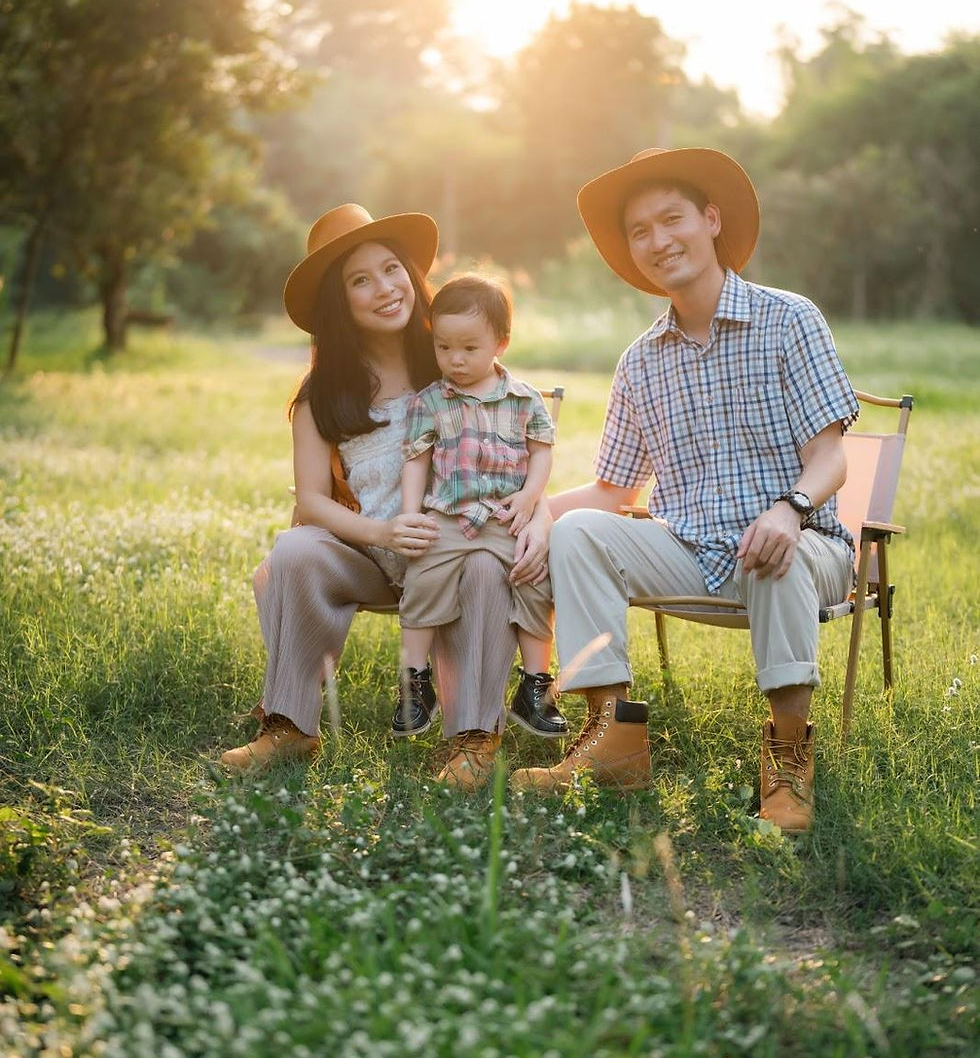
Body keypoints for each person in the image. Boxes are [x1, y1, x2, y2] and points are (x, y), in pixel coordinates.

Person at [511, 148, 858, 832]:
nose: (658, 240)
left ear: (711, 219)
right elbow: (612, 493)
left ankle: (787, 758)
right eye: (639, 231)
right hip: (690, 551)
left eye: (671, 219)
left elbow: (831, 458)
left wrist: (790, 510)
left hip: (803, 546)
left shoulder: (790, 319)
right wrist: (523, 515)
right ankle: (613, 737)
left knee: (773, 549)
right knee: (578, 531)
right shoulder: (640, 360)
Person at [219, 204, 549, 780]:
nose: (385, 288)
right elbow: (311, 502)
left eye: (392, 268)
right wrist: (381, 531)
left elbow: (518, 457)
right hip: (372, 555)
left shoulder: (456, 359)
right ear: (339, 303)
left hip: (457, 547)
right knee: (293, 550)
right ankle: (290, 726)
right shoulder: (324, 395)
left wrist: (539, 516)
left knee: (483, 566)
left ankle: (473, 737)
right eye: (360, 280)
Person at [394, 275, 567, 772]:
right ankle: (414, 683)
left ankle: (536, 686)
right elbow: (416, 459)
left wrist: (531, 499)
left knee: (534, 578)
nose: (456, 359)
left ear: (501, 343)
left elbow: (541, 454)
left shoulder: (523, 398)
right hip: (448, 515)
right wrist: (411, 513)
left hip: (506, 516)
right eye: (444, 346)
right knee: (422, 576)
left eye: (470, 347)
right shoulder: (431, 401)